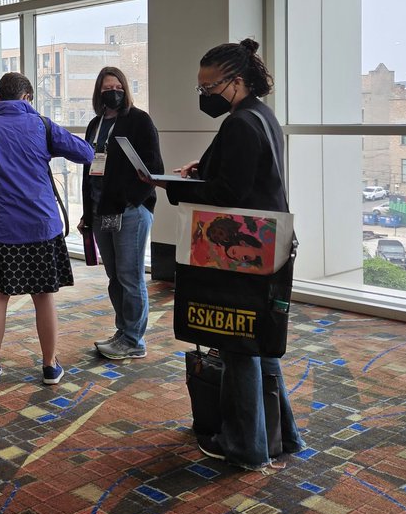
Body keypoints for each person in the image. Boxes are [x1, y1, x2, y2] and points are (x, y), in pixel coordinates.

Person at [147, 38, 305, 470]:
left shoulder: (239, 123)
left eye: (210, 88)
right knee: (262, 345)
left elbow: (227, 194)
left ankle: (245, 446)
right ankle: (281, 436)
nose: (204, 96)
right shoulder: (262, 116)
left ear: (236, 81)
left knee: (238, 349)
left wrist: (172, 186)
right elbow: (244, 174)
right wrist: (204, 169)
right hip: (267, 248)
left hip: (241, 254)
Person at [0, 72, 93, 386]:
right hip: (40, 225)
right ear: (27, 97)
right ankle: (50, 365)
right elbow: (86, 154)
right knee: (43, 296)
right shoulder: (42, 124)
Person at [80, 66, 163, 361]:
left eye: (116, 86)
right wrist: (88, 214)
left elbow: (154, 168)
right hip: (101, 209)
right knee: (114, 276)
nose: (111, 92)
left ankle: (134, 339)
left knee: (130, 276)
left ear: (125, 89)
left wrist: (132, 201)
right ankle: (123, 331)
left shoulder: (139, 121)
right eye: (105, 88)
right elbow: (88, 170)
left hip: (130, 211)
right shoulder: (94, 124)